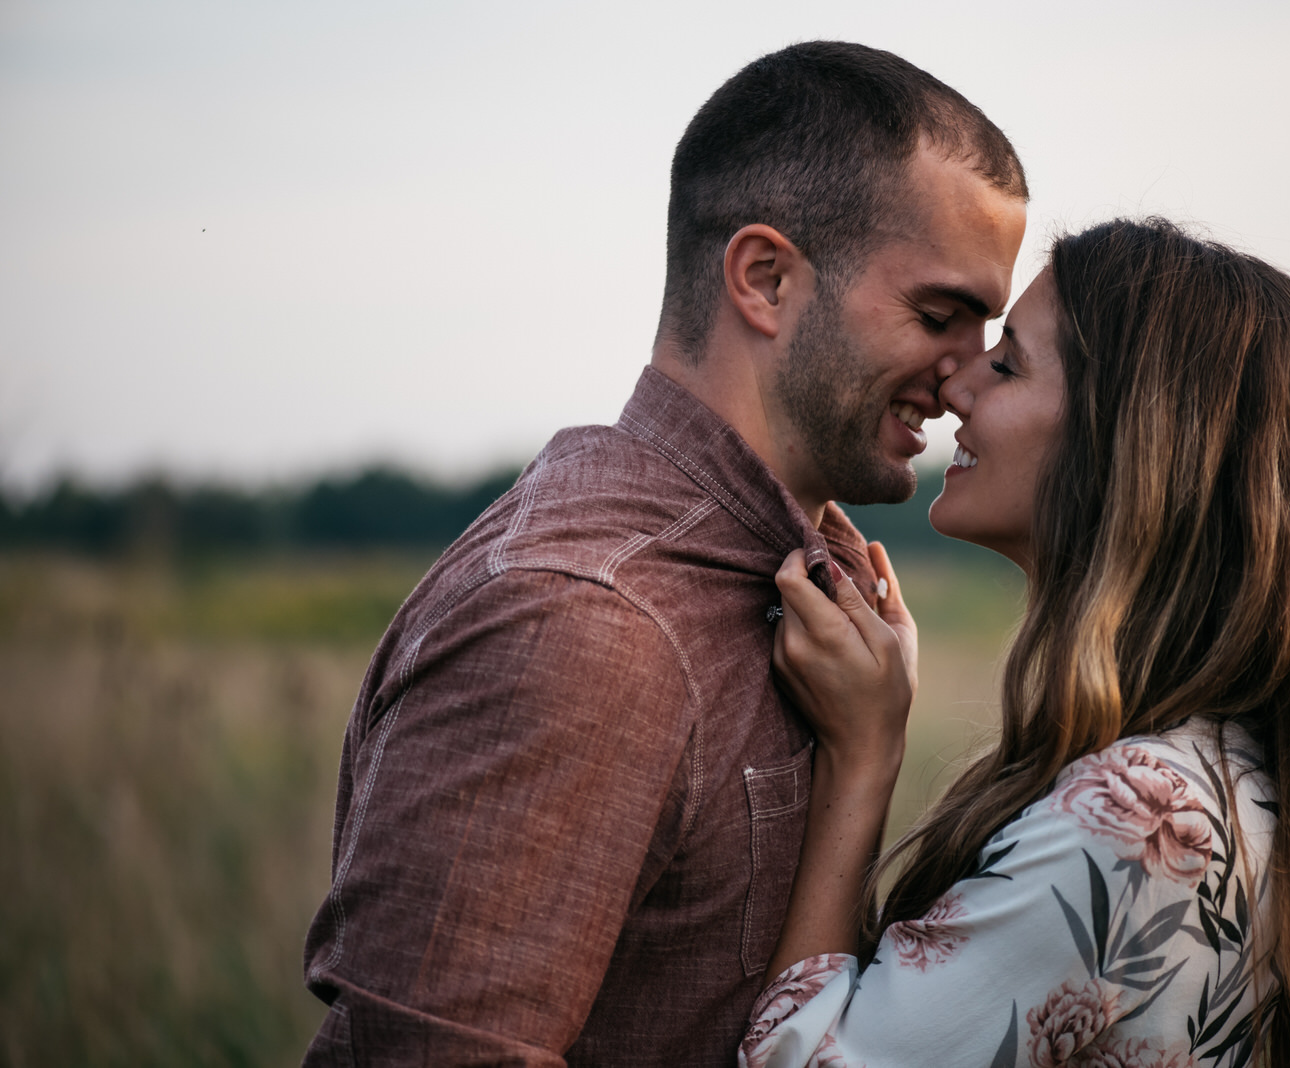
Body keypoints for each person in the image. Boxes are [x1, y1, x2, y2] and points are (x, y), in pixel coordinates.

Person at [298, 41, 1027, 1067]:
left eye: (984, 329)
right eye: (937, 316)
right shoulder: (584, 625)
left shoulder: (803, 588)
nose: (962, 382)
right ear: (765, 280)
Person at [742, 219, 1290, 1068]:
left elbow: (803, 1060)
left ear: (1130, 440)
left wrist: (861, 754)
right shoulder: (1221, 776)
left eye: (1009, 361)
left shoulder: (1142, 821)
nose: (955, 387)